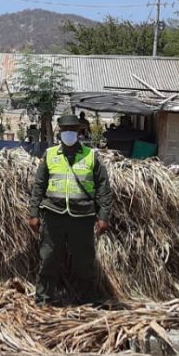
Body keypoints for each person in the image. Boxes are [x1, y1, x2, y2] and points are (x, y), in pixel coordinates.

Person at [28, 114, 112, 306]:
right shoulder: (49, 155)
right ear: (60, 132)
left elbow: (103, 188)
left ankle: (86, 300)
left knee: (84, 262)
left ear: (79, 132)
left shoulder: (91, 156)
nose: (69, 134)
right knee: (49, 258)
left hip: (83, 217)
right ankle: (44, 300)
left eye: (72, 130)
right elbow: (38, 186)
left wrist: (104, 216)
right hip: (53, 215)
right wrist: (33, 213)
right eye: (65, 130)